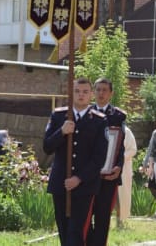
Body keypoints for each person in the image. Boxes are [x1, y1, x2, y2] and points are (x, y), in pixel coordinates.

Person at [43, 77, 108, 246]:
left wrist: (79, 178)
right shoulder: (58, 116)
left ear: (91, 94)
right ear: (71, 93)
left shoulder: (99, 120)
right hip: (61, 184)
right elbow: (47, 146)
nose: (81, 95)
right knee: (64, 232)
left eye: (85, 92)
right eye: (77, 91)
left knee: (76, 232)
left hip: (84, 186)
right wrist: (62, 132)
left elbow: (99, 157)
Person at [87, 77, 126, 246]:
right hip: (88, 175)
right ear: (93, 92)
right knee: (86, 214)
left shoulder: (118, 115)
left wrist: (119, 166)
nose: (101, 93)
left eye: (104, 90)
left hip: (109, 175)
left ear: (111, 93)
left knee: (103, 216)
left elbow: (121, 146)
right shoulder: (86, 114)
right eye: (98, 89)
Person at [116, 126, 137, 226]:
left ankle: (121, 219)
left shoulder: (126, 131)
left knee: (123, 193)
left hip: (123, 167)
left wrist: (118, 158)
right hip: (107, 167)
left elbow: (132, 150)